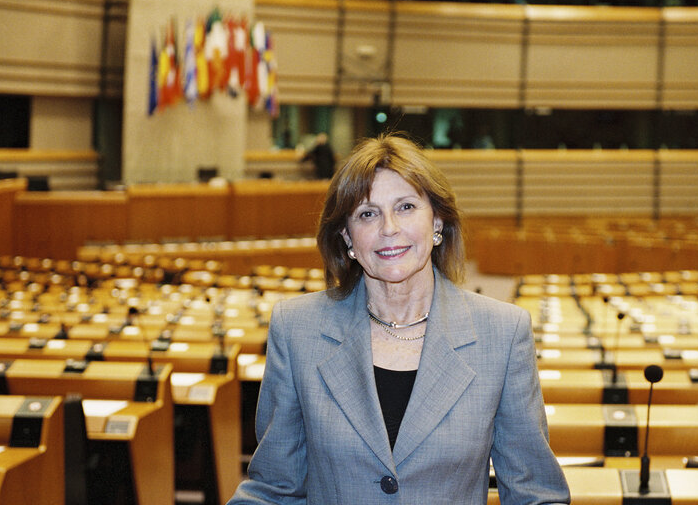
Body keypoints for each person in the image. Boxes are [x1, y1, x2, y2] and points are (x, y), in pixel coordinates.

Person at [228, 133, 570, 504]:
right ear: (347, 237)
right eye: (368, 214)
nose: (388, 227)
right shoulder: (297, 329)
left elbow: (536, 495)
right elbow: (273, 489)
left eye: (406, 207)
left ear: (437, 222)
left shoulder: (503, 335)